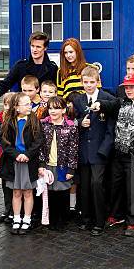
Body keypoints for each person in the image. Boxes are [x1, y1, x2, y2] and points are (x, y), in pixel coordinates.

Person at [92, 72, 134, 237]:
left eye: (132, 87)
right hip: (118, 154)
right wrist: (99, 103)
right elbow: (108, 105)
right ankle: (116, 215)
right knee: (115, 187)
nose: (128, 90)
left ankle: (133, 222)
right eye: (126, 87)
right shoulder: (121, 102)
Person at [73, 66, 115, 236]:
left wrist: (104, 150)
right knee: (84, 186)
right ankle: (86, 218)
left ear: (98, 82)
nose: (89, 85)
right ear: (82, 83)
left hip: (99, 151)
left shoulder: (107, 98)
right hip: (84, 151)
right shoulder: (79, 100)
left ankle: (99, 220)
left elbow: (111, 128)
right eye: (86, 82)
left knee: (97, 185)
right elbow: (73, 120)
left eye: (92, 82)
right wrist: (80, 123)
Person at [0, 92, 43, 235]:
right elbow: (5, 142)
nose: (30, 106)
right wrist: (17, 155)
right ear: (16, 107)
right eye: (26, 104)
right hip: (14, 162)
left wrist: (27, 155)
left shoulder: (34, 120)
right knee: (16, 192)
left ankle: (27, 219)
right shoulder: (9, 122)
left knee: (28, 192)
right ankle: (17, 218)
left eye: (30, 103)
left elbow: (38, 141)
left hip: (29, 162)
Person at [39, 96, 79, 231]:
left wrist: (71, 169)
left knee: (62, 191)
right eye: (50, 108)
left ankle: (63, 220)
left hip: (63, 165)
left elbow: (73, 149)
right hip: (48, 165)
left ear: (63, 110)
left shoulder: (70, 127)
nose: (53, 111)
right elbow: (40, 147)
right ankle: (52, 219)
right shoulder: (43, 125)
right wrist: (41, 165)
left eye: (56, 108)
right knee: (50, 192)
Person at [0, 31, 58, 99]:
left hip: (46, 107)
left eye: (38, 47)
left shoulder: (53, 68)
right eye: (32, 46)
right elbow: (4, 85)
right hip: (24, 106)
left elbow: (58, 91)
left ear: (45, 48)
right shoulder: (20, 66)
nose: (34, 50)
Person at [0, 93, 16, 224]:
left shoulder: (19, 118)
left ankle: (15, 212)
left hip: (15, 156)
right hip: (3, 157)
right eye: (6, 104)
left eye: (12, 104)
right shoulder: (0, 117)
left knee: (15, 186)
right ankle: (7, 209)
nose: (8, 107)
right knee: (5, 185)